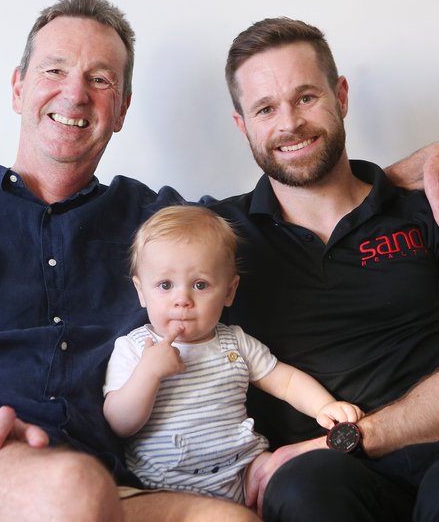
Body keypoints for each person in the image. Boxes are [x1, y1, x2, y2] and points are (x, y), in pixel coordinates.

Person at [0, 0, 439, 521]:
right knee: (70, 486)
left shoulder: (152, 221)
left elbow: (306, 175)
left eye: (101, 79)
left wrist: (423, 166)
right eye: (55, 70)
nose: (75, 93)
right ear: (18, 88)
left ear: (121, 109)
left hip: (91, 471)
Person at [204, 17, 439, 520]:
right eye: (265, 108)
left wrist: (349, 438)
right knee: (303, 490)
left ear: (341, 96)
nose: (289, 123)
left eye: (305, 98)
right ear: (242, 126)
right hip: (333, 478)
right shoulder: (218, 238)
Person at [103, 205, 362, 503]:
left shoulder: (234, 342)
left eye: (200, 285)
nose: (182, 300)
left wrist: (323, 406)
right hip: (169, 483)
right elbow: (120, 423)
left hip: (244, 467)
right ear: (141, 291)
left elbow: (285, 380)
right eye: (164, 285)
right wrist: (148, 373)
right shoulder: (136, 348)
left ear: (229, 291)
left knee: (294, 477)